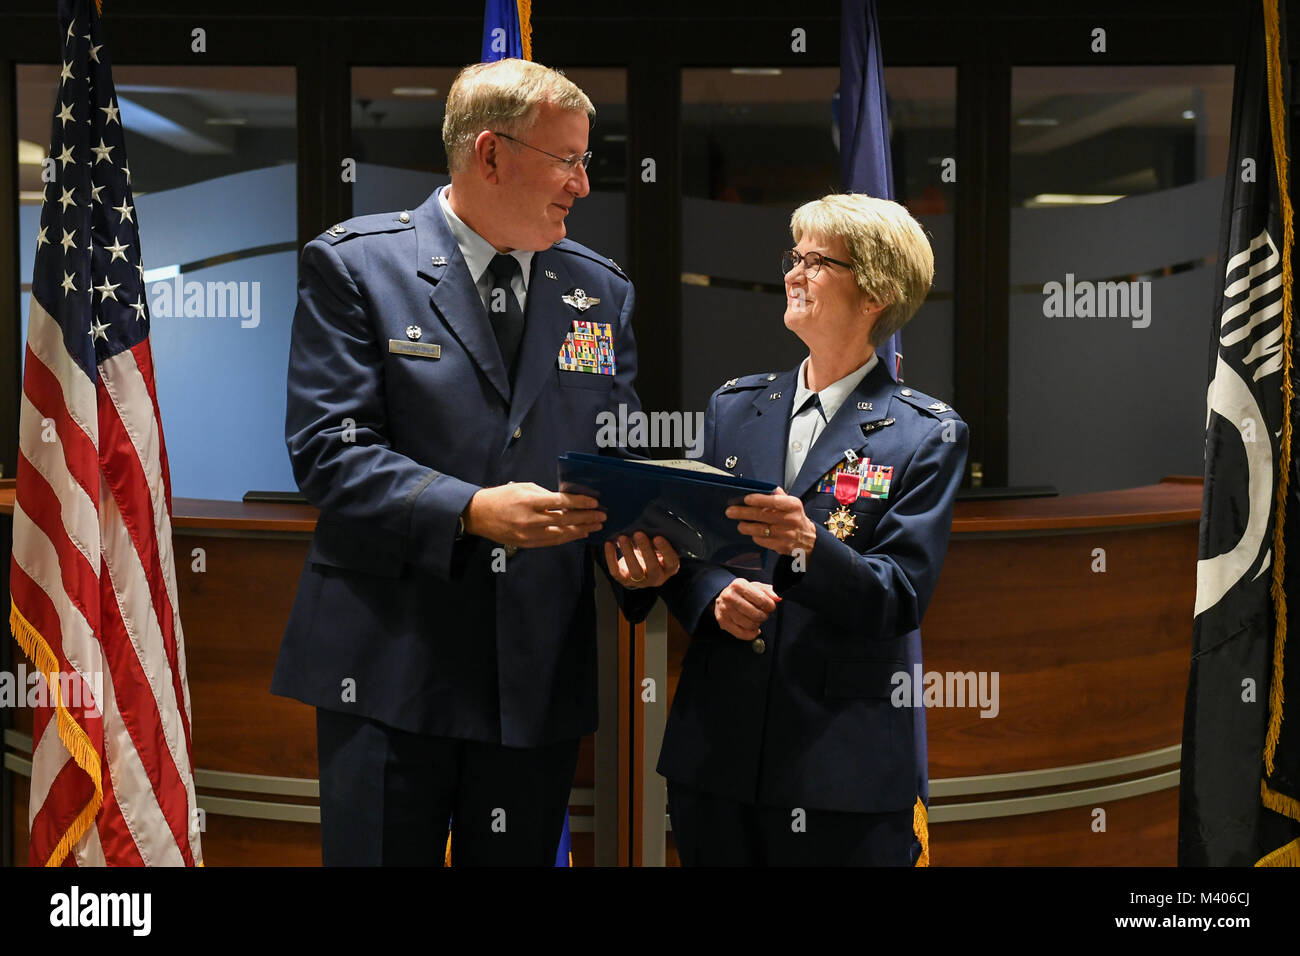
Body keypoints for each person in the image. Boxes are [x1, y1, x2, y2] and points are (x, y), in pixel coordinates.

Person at [271, 58, 678, 866]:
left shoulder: (601, 292)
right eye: (568, 160)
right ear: (491, 155)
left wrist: (639, 556)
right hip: (389, 666)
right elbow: (327, 450)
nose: (583, 185)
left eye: (586, 160)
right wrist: (469, 510)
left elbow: (614, 455)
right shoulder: (358, 266)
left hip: (534, 672)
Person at [658, 193, 968, 866]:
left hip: (840, 770)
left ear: (876, 293)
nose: (793, 273)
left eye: (817, 261)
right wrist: (709, 592)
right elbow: (690, 551)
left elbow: (899, 597)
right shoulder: (735, 407)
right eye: (793, 257)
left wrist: (809, 543)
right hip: (718, 756)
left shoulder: (926, 434)